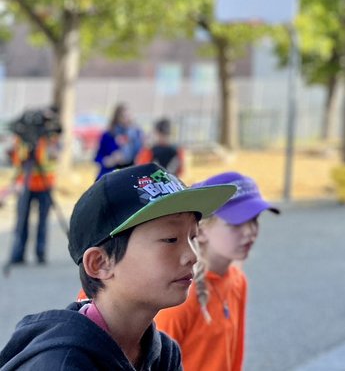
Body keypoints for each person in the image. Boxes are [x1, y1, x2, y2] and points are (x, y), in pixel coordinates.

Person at [0, 163, 234, 370]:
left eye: (193, 238)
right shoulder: (62, 363)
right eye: (170, 239)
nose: (192, 256)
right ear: (100, 263)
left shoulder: (164, 354)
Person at [154, 171, 280, 371]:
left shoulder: (237, 280)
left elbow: (234, 356)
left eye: (255, 219)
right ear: (201, 231)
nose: (251, 232)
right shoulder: (179, 297)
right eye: (237, 223)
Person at [7, 109, 59, 267]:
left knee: (43, 221)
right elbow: (18, 160)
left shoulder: (50, 137)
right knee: (22, 220)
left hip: (45, 184)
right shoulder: (23, 138)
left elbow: (52, 158)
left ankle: (40, 253)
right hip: (26, 184)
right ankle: (18, 253)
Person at [94, 105, 144, 180]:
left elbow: (143, 155)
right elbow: (97, 157)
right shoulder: (108, 135)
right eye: (123, 116)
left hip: (131, 174)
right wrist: (109, 160)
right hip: (110, 174)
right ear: (117, 118)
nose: (127, 119)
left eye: (129, 116)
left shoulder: (137, 134)